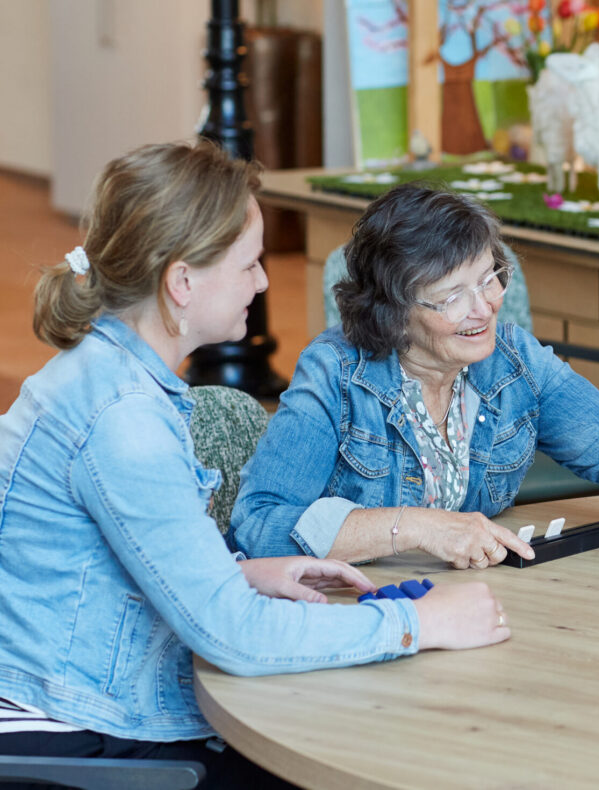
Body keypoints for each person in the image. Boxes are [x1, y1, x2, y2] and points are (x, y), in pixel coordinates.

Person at [0, 142, 509, 788]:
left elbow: (120, 556)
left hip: (73, 702)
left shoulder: (111, 375)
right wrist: (419, 623)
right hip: (79, 736)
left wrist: (241, 572)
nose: (266, 283)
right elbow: (234, 638)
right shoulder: (125, 421)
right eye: (250, 265)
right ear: (182, 282)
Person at [229, 184, 599, 586]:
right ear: (392, 308)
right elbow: (260, 525)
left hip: (470, 607)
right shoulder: (335, 372)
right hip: (354, 610)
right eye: (451, 294)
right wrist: (416, 525)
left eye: (490, 278)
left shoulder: (510, 358)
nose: (484, 307)